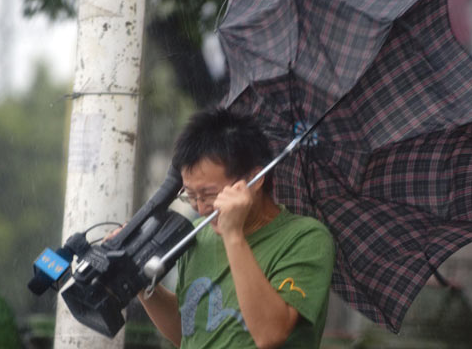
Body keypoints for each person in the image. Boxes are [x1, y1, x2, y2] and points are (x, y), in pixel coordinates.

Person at [138, 108, 335, 348]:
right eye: (190, 196)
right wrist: (140, 284)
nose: (200, 209)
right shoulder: (197, 232)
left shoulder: (306, 238)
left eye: (209, 194)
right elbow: (188, 332)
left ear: (255, 179)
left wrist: (233, 235)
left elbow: (270, 334)